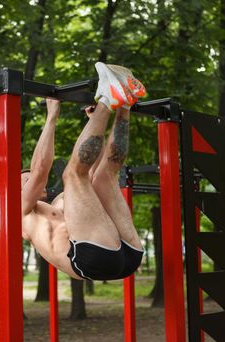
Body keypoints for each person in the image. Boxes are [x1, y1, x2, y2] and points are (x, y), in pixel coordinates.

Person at [21, 62, 146, 280]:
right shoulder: (17, 210)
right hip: (90, 260)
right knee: (71, 175)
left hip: (126, 253)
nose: (31, 181)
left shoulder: (62, 203)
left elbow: (92, 166)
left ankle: (124, 106)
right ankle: (109, 98)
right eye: (25, 181)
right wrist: (51, 117)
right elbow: (40, 169)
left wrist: (95, 121)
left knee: (104, 177)